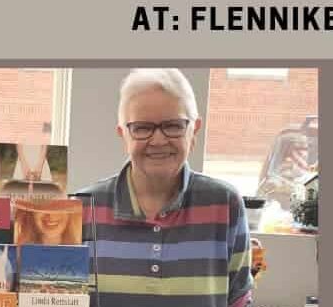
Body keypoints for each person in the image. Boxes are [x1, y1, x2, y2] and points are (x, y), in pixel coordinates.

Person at [78, 69, 254, 307]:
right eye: (142, 128)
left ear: (194, 130)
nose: (159, 140)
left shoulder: (225, 204)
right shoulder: (82, 208)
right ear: (123, 135)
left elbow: (239, 301)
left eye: (173, 125)